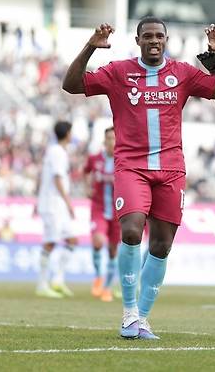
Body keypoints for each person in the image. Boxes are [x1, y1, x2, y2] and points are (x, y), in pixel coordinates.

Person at [62, 17, 215, 339]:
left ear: (166, 40)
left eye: (159, 36)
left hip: (171, 170)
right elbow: (71, 85)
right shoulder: (119, 72)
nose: (154, 40)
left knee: (161, 245)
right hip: (131, 166)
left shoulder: (182, 73)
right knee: (131, 231)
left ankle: (142, 318)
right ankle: (129, 313)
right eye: (148, 36)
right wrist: (90, 47)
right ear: (138, 41)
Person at [35, 121, 77, 299]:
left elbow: (43, 177)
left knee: (72, 240)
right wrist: (68, 202)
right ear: (67, 133)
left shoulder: (56, 151)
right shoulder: (57, 152)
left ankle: (57, 280)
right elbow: (57, 178)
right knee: (50, 242)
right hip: (53, 204)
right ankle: (42, 284)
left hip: (56, 204)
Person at [83, 126, 120, 302]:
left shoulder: (123, 159)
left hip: (118, 210)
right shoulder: (95, 159)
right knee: (98, 241)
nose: (111, 142)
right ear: (104, 141)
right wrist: (87, 187)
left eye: (114, 138)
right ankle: (98, 277)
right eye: (109, 138)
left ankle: (107, 288)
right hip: (98, 208)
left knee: (113, 251)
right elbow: (85, 171)